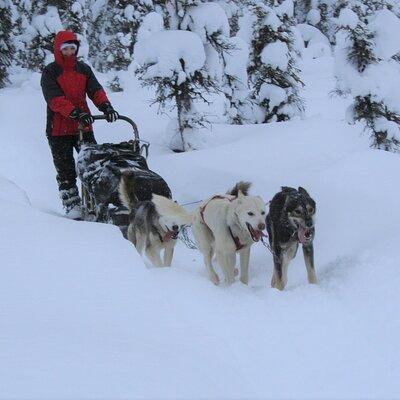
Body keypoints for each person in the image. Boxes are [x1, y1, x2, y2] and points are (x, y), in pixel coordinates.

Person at [41, 30, 119, 220]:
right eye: (65, 49)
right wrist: (75, 113)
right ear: (58, 51)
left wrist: (106, 107)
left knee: (93, 165)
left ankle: (97, 202)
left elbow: (95, 90)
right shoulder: (51, 72)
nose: (69, 52)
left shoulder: (83, 69)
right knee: (66, 169)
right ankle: (72, 204)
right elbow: (54, 99)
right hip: (58, 130)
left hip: (83, 128)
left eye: (72, 49)